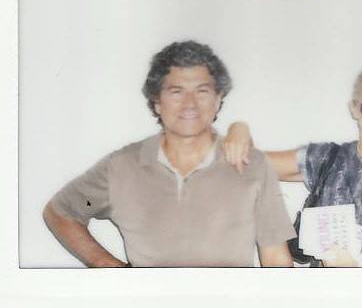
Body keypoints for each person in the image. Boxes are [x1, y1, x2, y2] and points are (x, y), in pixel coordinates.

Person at [43, 40, 295, 268]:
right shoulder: (121, 167)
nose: (190, 104)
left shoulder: (252, 166)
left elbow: (276, 259)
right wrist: (107, 266)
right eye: (176, 91)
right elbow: (62, 212)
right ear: (157, 102)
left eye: (202, 91)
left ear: (218, 100)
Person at [224, 65, 362, 267]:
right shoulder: (329, 157)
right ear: (354, 108)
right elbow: (249, 165)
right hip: (321, 290)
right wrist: (239, 129)